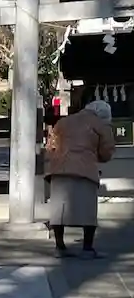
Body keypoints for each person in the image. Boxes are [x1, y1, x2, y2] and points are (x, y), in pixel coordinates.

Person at [43, 98, 116, 257]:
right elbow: (107, 150)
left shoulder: (63, 122)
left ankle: (60, 247)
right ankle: (87, 249)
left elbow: (50, 147)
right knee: (88, 210)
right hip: (85, 170)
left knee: (59, 211)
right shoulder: (101, 124)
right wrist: (96, 157)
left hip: (59, 170)